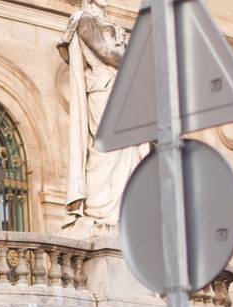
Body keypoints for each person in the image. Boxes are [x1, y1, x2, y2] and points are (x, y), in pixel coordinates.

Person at [56, 0, 147, 225]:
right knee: (107, 149)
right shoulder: (83, 20)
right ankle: (99, 208)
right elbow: (106, 52)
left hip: (121, 90)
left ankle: (122, 210)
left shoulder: (109, 23)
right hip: (104, 92)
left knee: (127, 150)